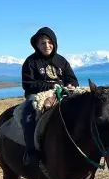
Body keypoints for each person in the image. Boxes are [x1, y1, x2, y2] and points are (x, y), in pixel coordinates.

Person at [21, 27, 78, 166]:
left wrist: (71, 85)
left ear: (54, 43)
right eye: (42, 43)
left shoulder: (61, 61)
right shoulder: (31, 62)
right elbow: (28, 84)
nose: (47, 46)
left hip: (61, 92)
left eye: (49, 42)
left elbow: (72, 79)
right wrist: (51, 86)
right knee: (28, 115)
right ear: (37, 45)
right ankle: (32, 152)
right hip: (37, 96)